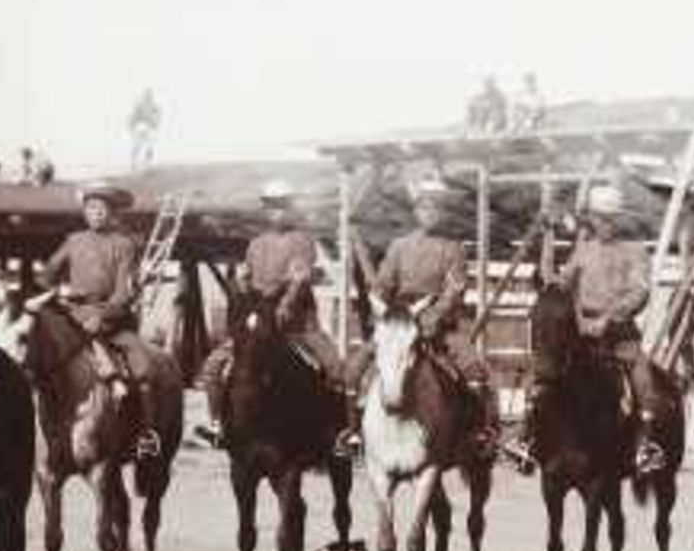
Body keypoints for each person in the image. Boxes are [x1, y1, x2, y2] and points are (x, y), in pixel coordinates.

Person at [504, 184, 668, 474]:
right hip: (580, 332)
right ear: (592, 219)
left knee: (644, 380)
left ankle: (645, 446)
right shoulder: (583, 251)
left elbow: (640, 292)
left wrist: (611, 317)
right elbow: (561, 285)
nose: (604, 224)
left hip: (619, 334)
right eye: (599, 217)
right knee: (543, 373)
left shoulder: (635, 252)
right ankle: (526, 436)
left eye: (610, 218)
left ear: (620, 220)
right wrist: (548, 240)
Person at [197, 180, 356, 454]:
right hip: (260, 323)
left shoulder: (302, 241)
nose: (277, 214)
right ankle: (218, 425)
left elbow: (299, 279)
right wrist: (243, 288)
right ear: (265, 211)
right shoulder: (256, 244)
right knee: (213, 367)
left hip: (297, 324)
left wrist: (285, 304)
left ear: (291, 209)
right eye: (271, 208)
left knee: (335, 368)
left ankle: (344, 433)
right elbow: (246, 277)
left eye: (282, 207)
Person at [344, 177, 499, 452]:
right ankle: (353, 433)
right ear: (416, 212)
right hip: (401, 322)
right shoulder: (399, 246)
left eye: (436, 208)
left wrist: (433, 317)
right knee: (354, 368)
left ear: (443, 212)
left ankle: (480, 431)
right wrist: (382, 310)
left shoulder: (453, 249)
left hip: (438, 325)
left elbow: (455, 291)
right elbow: (382, 285)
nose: (429, 214)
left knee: (474, 368)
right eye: (424, 208)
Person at [37, 181, 164, 457]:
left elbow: (123, 293)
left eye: (101, 209)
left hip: (110, 320)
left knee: (142, 367)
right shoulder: (73, 240)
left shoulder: (125, 245)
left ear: (113, 213)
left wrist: (102, 316)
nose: (96, 213)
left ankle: (145, 432)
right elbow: (46, 274)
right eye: (91, 208)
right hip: (72, 315)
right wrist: (58, 289)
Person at [128, 88, 161, 170]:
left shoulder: (153, 104)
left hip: (149, 126)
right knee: (138, 144)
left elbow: (158, 114)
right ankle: (134, 162)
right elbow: (134, 115)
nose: (148, 96)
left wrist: (156, 123)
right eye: (147, 95)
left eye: (149, 95)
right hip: (141, 125)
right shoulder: (140, 104)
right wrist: (131, 125)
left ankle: (147, 163)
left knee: (149, 145)